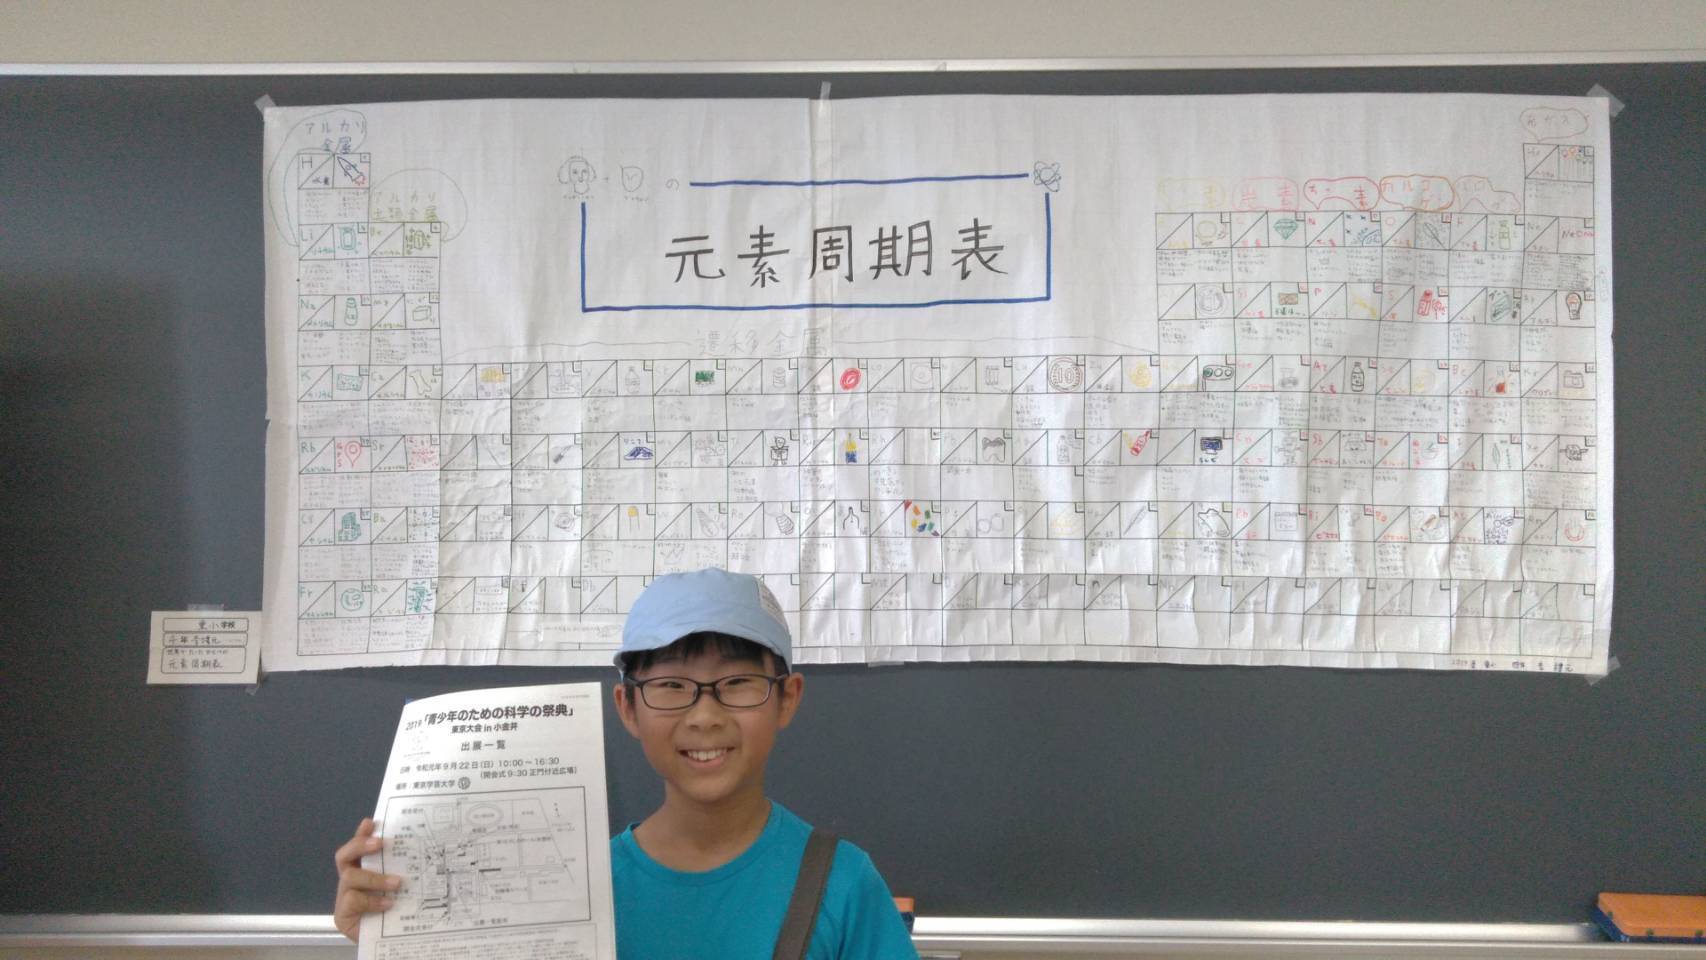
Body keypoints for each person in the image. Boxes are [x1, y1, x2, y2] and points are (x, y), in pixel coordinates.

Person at [334, 567, 919, 959]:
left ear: (787, 698)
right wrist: (392, 940)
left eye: (738, 683)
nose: (704, 716)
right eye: (671, 685)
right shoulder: (567, 884)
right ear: (628, 707)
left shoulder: (841, 883)